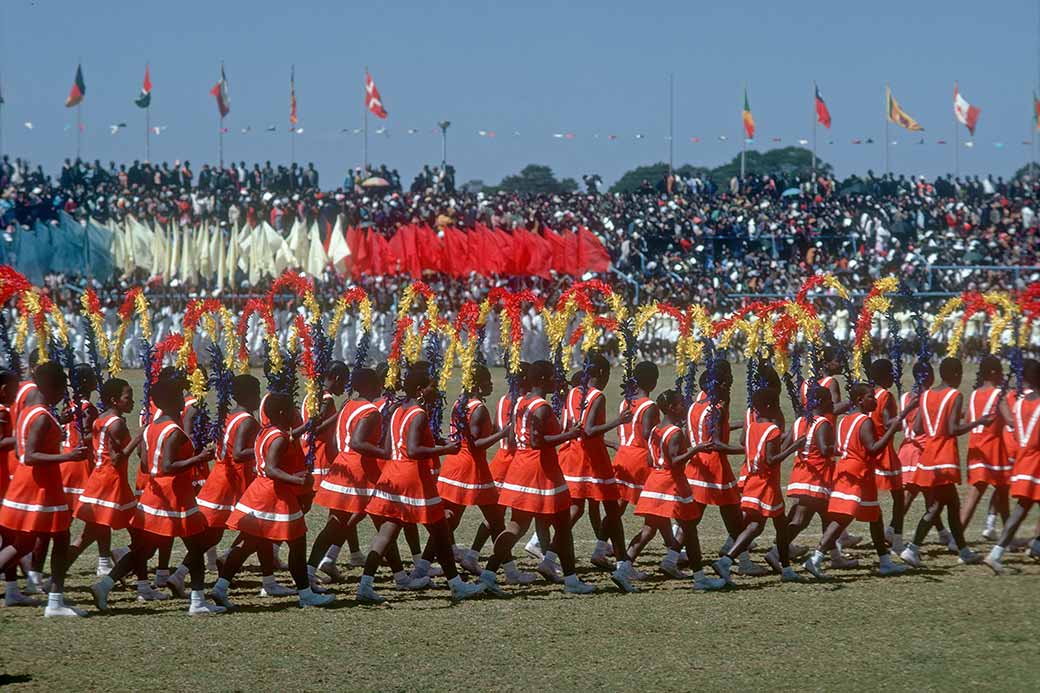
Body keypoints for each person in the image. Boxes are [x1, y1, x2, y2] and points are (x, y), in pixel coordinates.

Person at [90, 375, 224, 615]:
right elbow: (168, 467)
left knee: (142, 550)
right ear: (175, 400)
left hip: (154, 494)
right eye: (181, 396)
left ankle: (105, 585)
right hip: (174, 496)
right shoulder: (174, 431)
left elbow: (145, 462)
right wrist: (199, 458)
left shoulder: (152, 427)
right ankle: (197, 601)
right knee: (196, 546)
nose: (184, 400)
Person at [356, 369, 485, 603]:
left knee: (388, 532)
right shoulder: (418, 413)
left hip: (392, 475)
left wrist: (436, 441)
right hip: (413, 478)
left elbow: (389, 448)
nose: (435, 390)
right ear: (419, 390)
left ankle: (365, 584)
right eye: (432, 386)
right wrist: (444, 450)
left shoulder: (396, 411)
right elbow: (414, 450)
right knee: (441, 532)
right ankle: (456, 585)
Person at [478, 360, 594, 595]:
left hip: (522, 467)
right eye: (552, 377)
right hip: (541, 470)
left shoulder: (521, 401)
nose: (555, 381)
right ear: (542, 380)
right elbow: (537, 441)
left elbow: (519, 436)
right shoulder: (541, 407)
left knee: (516, 525)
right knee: (562, 524)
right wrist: (568, 434)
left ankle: (490, 574)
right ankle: (571, 580)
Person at [308, 367, 428, 591]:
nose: (379, 388)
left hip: (343, 469)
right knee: (381, 525)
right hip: (360, 474)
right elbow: (357, 442)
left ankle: (400, 577)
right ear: (370, 386)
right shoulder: (369, 411)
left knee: (342, 525)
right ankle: (396, 579)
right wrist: (384, 453)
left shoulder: (347, 406)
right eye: (376, 385)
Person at [211, 392, 334, 609]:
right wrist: (295, 479)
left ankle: (220, 587)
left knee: (248, 543)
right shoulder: (279, 437)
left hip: (259, 494)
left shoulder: (265, 432)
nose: (295, 414)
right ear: (282, 413)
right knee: (297, 544)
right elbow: (271, 468)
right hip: (275, 495)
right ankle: (306, 595)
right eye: (292, 411)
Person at [0, 362, 90, 616]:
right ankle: (55, 602)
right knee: (60, 539)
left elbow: (19, 451)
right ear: (51, 386)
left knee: (23, 543)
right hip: (41, 486)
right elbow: (29, 455)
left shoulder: (29, 410)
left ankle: (56, 601)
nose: (64, 394)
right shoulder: (40, 415)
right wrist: (68, 457)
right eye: (62, 388)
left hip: (27, 483)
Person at [433, 364, 534, 583]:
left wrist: (498, 432)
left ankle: (425, 565)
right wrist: (503, 434)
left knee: (451, 520)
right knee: (491, 520)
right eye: (487, 381)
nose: (491, 385)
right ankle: (509, 572)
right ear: (478, 384)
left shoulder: (461, 402)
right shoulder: (478, 407)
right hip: (470, 468)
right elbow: (476, 444)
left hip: (456, 465)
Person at [803, 383, 916, 578]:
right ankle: (816, 558)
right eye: (871, 397)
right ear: (860, 400)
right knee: (842, 518)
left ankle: (885, 561)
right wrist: (891, 432)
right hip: (858, 473)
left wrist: (904, 413)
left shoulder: (845, 420)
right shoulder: (865, 421)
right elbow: (872, 449)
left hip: (849, 470)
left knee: (875, 516)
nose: (875, 400)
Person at [627, 390, 726, 590]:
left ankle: (622, 568)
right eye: (681, 404)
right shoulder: (675, 432)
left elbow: (650, 459)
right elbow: (673, 462)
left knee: (649, 530)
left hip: (655, 481)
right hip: (672, 484)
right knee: (689, 530)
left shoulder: (656, 430)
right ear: (671, 408)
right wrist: (696, 449)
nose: (684, 407)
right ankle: (700, 579)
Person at [901, 358, 988, 568]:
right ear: (957, 374)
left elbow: (919, 427)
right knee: (938, 506)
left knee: (949, 504)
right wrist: (978, 422)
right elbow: (952, 429)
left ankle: (963, 550)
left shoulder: (927, 395)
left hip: (928, 454)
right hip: (944, 456)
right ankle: (912, 549)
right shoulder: (955, 395)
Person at [561, 353, 638, 589]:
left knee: (575, 509)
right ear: (602, 374)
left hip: (574, 457)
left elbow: (571, 426)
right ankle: (623, 565)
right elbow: (590, 429)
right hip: (593, 460)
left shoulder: (573, 391)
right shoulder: (597, 396)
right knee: (613, 510)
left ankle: (550, 556)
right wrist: (618, 421)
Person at [713, 387, 803, 584]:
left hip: (754, 480)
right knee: (757, 526)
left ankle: (786, 569)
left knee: (780, 525)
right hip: (766, 483)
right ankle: (727, 560)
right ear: (771, 406)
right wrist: (794, 447)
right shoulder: (772, 429)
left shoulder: (752, 426)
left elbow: (751, 449)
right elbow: (771, 460)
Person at [686, 364, 768, 576]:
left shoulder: (695, 406)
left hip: (696, 465)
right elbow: (716, 444)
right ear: (716, 385)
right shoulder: (717, 409)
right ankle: (743, 562)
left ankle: (673, 556)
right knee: (731, 514)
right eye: (726, 382)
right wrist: (747, 450)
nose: (729, 385)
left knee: (694, 518)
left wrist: (741, 424)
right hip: (715, 468)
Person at [68, 378, 146, 585]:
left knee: (86, 537)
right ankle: (138, 583)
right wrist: (139, 438)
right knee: (140, 536)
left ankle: (54, 579)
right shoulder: (117, 423)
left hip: (100, 479)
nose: (132, 402)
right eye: (127, 398)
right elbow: (118, 458)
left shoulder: (100, 419)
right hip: (111, 483)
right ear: (114, 400)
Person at [765, 385, 835, 572]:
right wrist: (839, 449)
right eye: (829, 399)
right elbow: (823, 449)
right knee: (803, 520)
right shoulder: (823, 423)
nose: (833, 402)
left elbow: (787, 445)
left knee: (826, 517)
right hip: (815, 477)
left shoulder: (798, 422)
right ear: (821, 402)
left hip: (801, 474)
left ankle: (833, 555)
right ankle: (776, 552)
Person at [984, 358, 1040, 573]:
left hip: (1024, 460)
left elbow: (1014, 425)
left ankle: (997, 553)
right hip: (1035, 460)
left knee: (1022, 509)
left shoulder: (1021, 402)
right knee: (1022, 509)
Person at [960, 356, 1012, 536]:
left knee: (1003, 492)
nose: (1002, 376)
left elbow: (967, 417)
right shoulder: (999, 394)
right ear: (993, 373)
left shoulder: (974, 394)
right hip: (991, 448)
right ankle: (957, 537)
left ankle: (1007, 536)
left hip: (976, 446)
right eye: (1000, 372)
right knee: (976, 493)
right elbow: (1011, 420)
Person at [867, 359, 908, 554]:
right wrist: (905, 419)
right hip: (885, 452)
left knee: (869, 498)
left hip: (869, 451)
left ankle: (889, 532)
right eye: (891, 373)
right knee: (899, 498)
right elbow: (888, 423)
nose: (894, 377)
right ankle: (897, 540)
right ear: (883, 376)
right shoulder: (886, 396)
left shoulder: (867, 394)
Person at [612, 361, 660, 510]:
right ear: (653, 382)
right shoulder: (649, 406)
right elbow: (647, 434)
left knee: (618, 507)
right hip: (640, 459)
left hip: (622, 456)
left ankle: (601, 534)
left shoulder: (624, 403)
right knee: (654, 507)